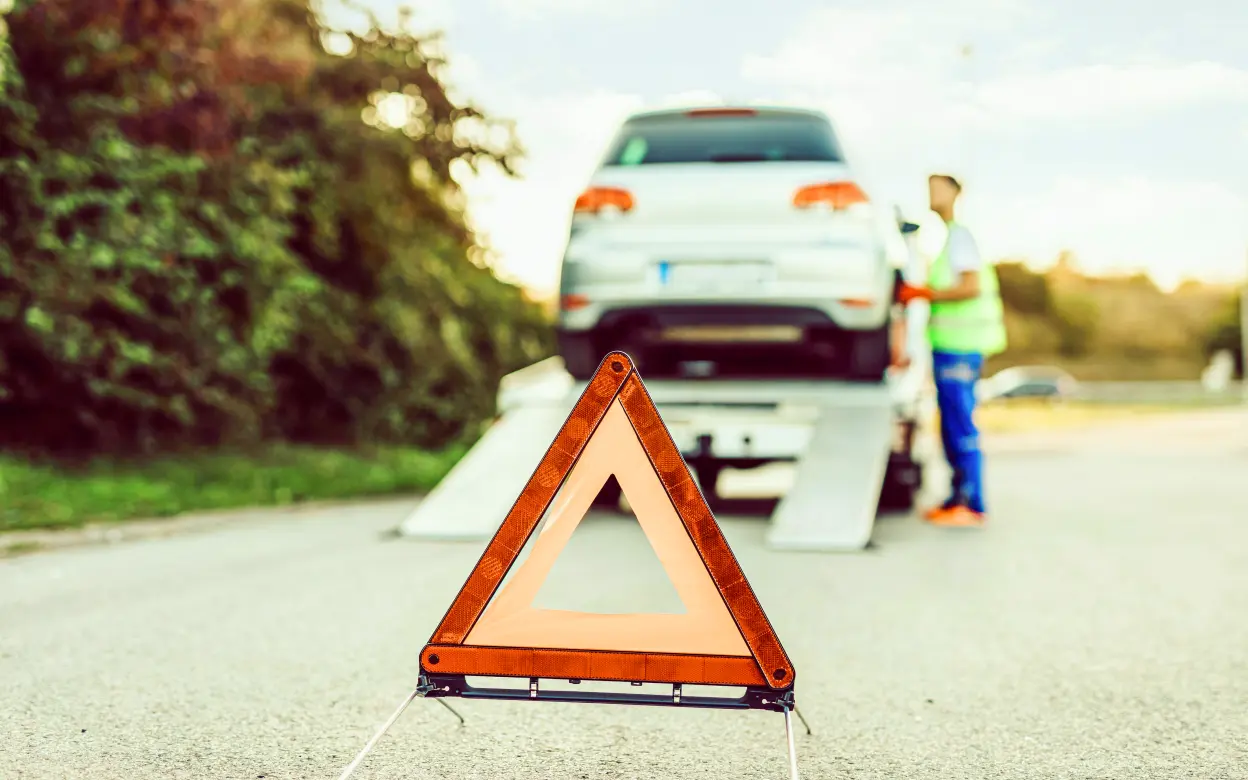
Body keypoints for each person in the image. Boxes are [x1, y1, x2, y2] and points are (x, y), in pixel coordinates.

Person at [895, 174, 1007, 527]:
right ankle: (957, 497)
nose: (931, 194)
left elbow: (969, 288)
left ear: (956, 193)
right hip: (949, 347)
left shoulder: (960, 237)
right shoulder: (948, 240)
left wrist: (922, 293)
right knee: (950, 423)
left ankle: (971, 503)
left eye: (938, 187)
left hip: (961, 348)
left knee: (960, 423)